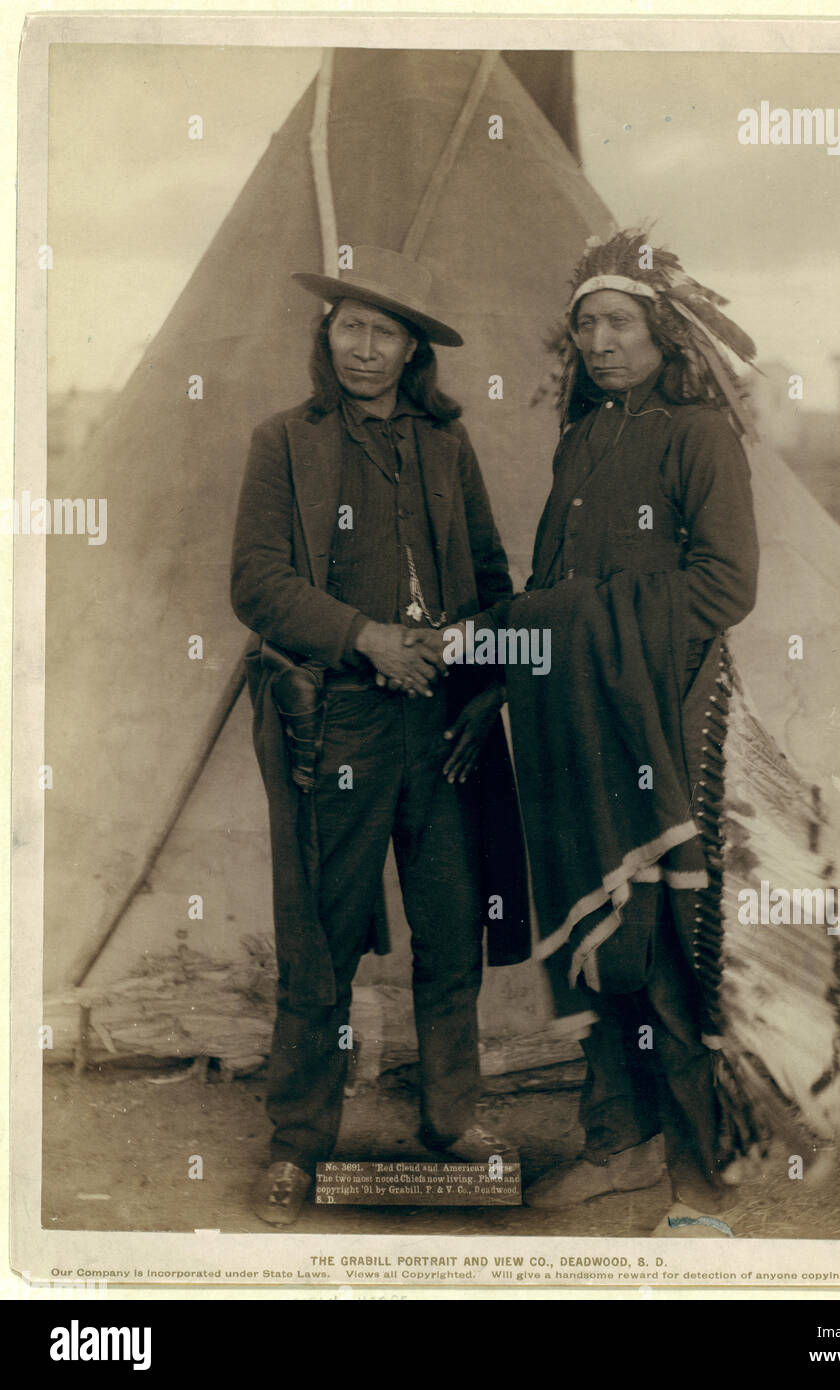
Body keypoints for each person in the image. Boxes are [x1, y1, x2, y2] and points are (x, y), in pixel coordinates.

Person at [231, 246, 528, 1227]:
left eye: (384, 332)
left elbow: (491, 583)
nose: (364, 347)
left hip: (440, 732)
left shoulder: (447, 447)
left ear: (411, 351)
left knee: (451, 936)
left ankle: (452, 1117)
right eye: (349, 326)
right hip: (341, 724)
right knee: (320, 941)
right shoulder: (284, 443)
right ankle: (298, 1143)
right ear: (328, 335)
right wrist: (366, 638)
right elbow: (258, 584)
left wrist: (483, 694)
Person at [473, 230, 761, 1231]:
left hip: (658, 714)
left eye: (618, 323)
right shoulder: (584, 438)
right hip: (571, 718)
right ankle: (616, 1141)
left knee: (659, 937)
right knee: (588, 935)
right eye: (584, 324)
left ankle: (698, 1173)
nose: (598, 341)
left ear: (662, 334)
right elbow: (553, 584)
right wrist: (526, 645)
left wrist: (572, 621)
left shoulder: (697, 433)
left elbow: (725, 583)